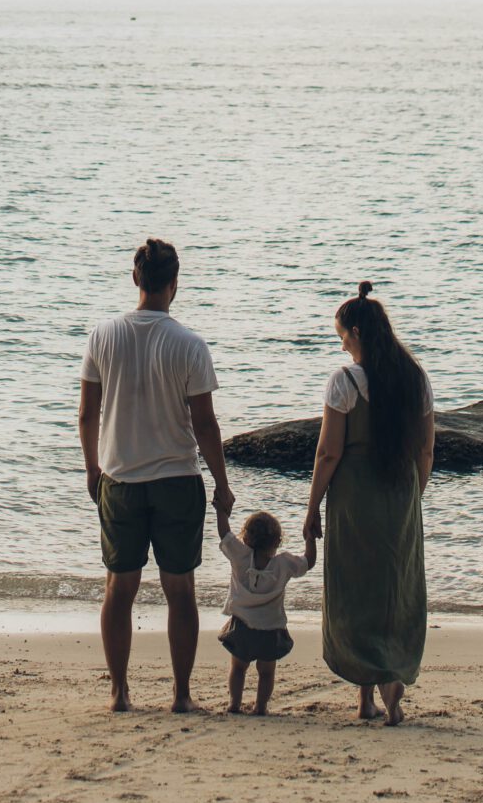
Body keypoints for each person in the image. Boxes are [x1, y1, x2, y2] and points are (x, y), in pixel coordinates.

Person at [78, 238, 234, 713]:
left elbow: (88, 413)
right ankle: (181, 694)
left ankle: (119, 691)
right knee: (180, 589)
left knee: (118, 588)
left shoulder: (103, 335)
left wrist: (92, 467)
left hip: (120, 478)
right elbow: (205, 424)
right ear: (174, 284)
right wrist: (223, 484)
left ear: (135, 280)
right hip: (176, 480)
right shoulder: (188, 343)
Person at [303, 281, 434, 725]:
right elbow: (426, 452)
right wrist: (415, 494)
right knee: (396, 588)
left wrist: (311, 507)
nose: (341, 345)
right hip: (400, 491)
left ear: (356, 331)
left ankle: (365, 699)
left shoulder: (344, 383)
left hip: (354, 496)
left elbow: (328, 452)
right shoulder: (415, 378)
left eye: (342, 335)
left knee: (357, 590)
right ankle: (391, 690)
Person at [215, 509, 314, 715]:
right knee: (267, 672)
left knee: (238, 667)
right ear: (278, 541)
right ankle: (260, 706)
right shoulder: (284, 563)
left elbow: (224, 534)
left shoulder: (240, 557)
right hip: (271, 629)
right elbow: (308, 562)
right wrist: (309, 536)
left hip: (242, 626)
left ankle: (234, 703)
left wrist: (221, 510)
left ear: (245, 537)